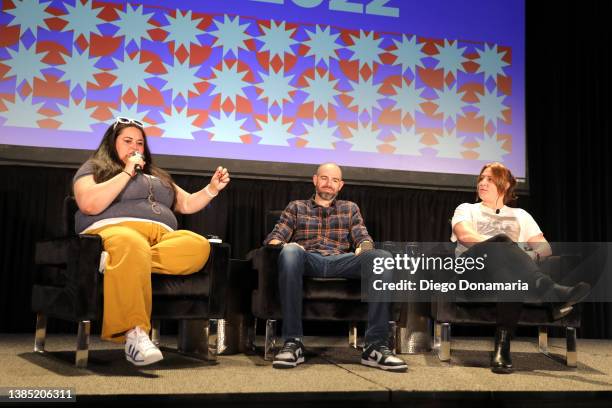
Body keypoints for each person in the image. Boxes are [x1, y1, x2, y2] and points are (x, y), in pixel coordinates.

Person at [73, 116, 230, 366]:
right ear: (112, 144)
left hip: (162, 239)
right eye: (127, 141)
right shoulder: (95, 168)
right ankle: (135, 334)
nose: (135, 147)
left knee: (198, 245)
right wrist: (127, 171)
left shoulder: (157, 176)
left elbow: (187, 203)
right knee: (131, 244)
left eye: (140, 142)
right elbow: (89, 204)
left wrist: (211, 189)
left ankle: (118, 264)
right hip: (117, 232)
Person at [264, 163, 407, 372]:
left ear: (341, 185)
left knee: (381, 258)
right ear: (315, 180)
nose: (328, 183)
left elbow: (364, 238)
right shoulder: (296, 206)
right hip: (307, 258)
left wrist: (364, 249)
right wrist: (286, 245)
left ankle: (375, 346)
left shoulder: (350, 208)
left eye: (334, 180)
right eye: (324, 178)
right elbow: (273, 240)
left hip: (341, 261)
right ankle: (293, 343)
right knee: (289, 252)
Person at [451, 162, 589, 374]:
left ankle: (502, 348)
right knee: (501, 242)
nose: (483, 183)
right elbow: (465, 236)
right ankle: (549, 290)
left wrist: (511, 254)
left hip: (512, 277)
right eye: (481, 178)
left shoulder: (521, 215)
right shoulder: (466, 209)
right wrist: (503, 246)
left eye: (490, 178)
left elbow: (544, 249)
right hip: (473, 274)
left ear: (505, 184)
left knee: (510, 275)